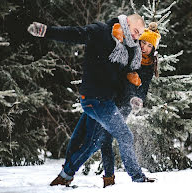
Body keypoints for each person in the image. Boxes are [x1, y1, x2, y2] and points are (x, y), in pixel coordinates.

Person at [27, 14, 154, 186]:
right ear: (127, 22)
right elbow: (75, 34)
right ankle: (137, 178)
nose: (136, 37)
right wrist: (47, 31)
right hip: (94, 98)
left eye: (140, 35)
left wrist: (134, 97)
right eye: (136, 31)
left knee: (79, 138)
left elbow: (128, 77)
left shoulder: (129, 49)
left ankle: (65, 176)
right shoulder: (101, 32)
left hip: (106, 101)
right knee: (117, 137)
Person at [62, 22, 161, 188]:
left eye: (149, 45)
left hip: (121, 104)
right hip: (103, 97)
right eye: (143, 42)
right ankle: (105, 177)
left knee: (99, 140)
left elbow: (141, 89)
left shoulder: (149, 66)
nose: (145, 47)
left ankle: (70, 174)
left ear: (153, 49)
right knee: (81, 135)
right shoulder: (129, 52)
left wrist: (137, 98)